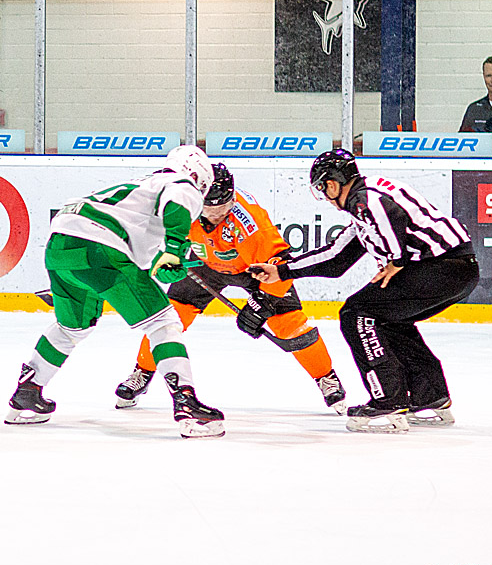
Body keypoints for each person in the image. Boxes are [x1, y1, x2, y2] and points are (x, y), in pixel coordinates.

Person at [249, 148, 479, 433]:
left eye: (323, 188)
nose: (325, 196)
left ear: (332, 183)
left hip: (440, 268)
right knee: (388, 318)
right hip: (458, 269)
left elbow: (388, 212)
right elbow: (336, 259)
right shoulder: (363, 206)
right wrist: (282, 271)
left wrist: (396, 259)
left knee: (356, 313)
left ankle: (388, 401)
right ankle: (429, 396)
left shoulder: (366, 198)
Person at [6, 145, 226, 438]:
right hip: (100, 247)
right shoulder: (180, 184)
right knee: (164, 323)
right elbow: (177, 205)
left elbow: (134, 262)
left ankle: (27, 393)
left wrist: (165, 262)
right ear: (199, 176)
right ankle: (186, 402)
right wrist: (174, 248)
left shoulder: (142, 189)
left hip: (60, 246)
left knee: (72, 327)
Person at [113, 162, 347, 414]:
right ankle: (142, 371)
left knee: (289, 324)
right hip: (203, 265)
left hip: (255, 270)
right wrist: (175, 256)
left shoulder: (251, 221)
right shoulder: (183, 204)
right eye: (209, 208)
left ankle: (326, 377)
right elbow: (161, 235)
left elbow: (280, 264)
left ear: (232, 198)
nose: (215, 214)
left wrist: (262, 305)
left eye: (223, 207)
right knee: (169, 318)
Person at [459, 54, 492, 157]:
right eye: (488, 76)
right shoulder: (474, 109)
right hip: (482, 170)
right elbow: (462, 145)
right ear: (484, 77)